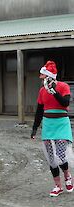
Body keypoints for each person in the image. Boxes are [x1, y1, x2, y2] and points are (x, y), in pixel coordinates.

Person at [31, 60, 74, 197]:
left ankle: (67, 176)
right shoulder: (42, 91)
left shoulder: (63, 86)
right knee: (51, 158)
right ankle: (57, 186)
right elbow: (39, 110)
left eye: (42, 76)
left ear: (49, 76)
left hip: (61, 124)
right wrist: (34, 128)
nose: (40, 78)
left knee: (61, 156)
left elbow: (65, 103)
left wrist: (54, 92)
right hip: (48, 124)